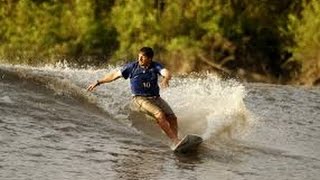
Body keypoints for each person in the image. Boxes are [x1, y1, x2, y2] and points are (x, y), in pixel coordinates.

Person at [87, 47, 180, 145]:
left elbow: (167, 73)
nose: (139, 59)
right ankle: (175, 140)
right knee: (160, 114)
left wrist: (166, 79)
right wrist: (98, 82)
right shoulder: (132, 67)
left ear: (149, 59)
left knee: (172, 118)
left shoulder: (155, 66)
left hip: (156, 98)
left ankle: (178, 141)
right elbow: (114, 75)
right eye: (139, 57)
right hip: (139, 99)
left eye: (142, 57)